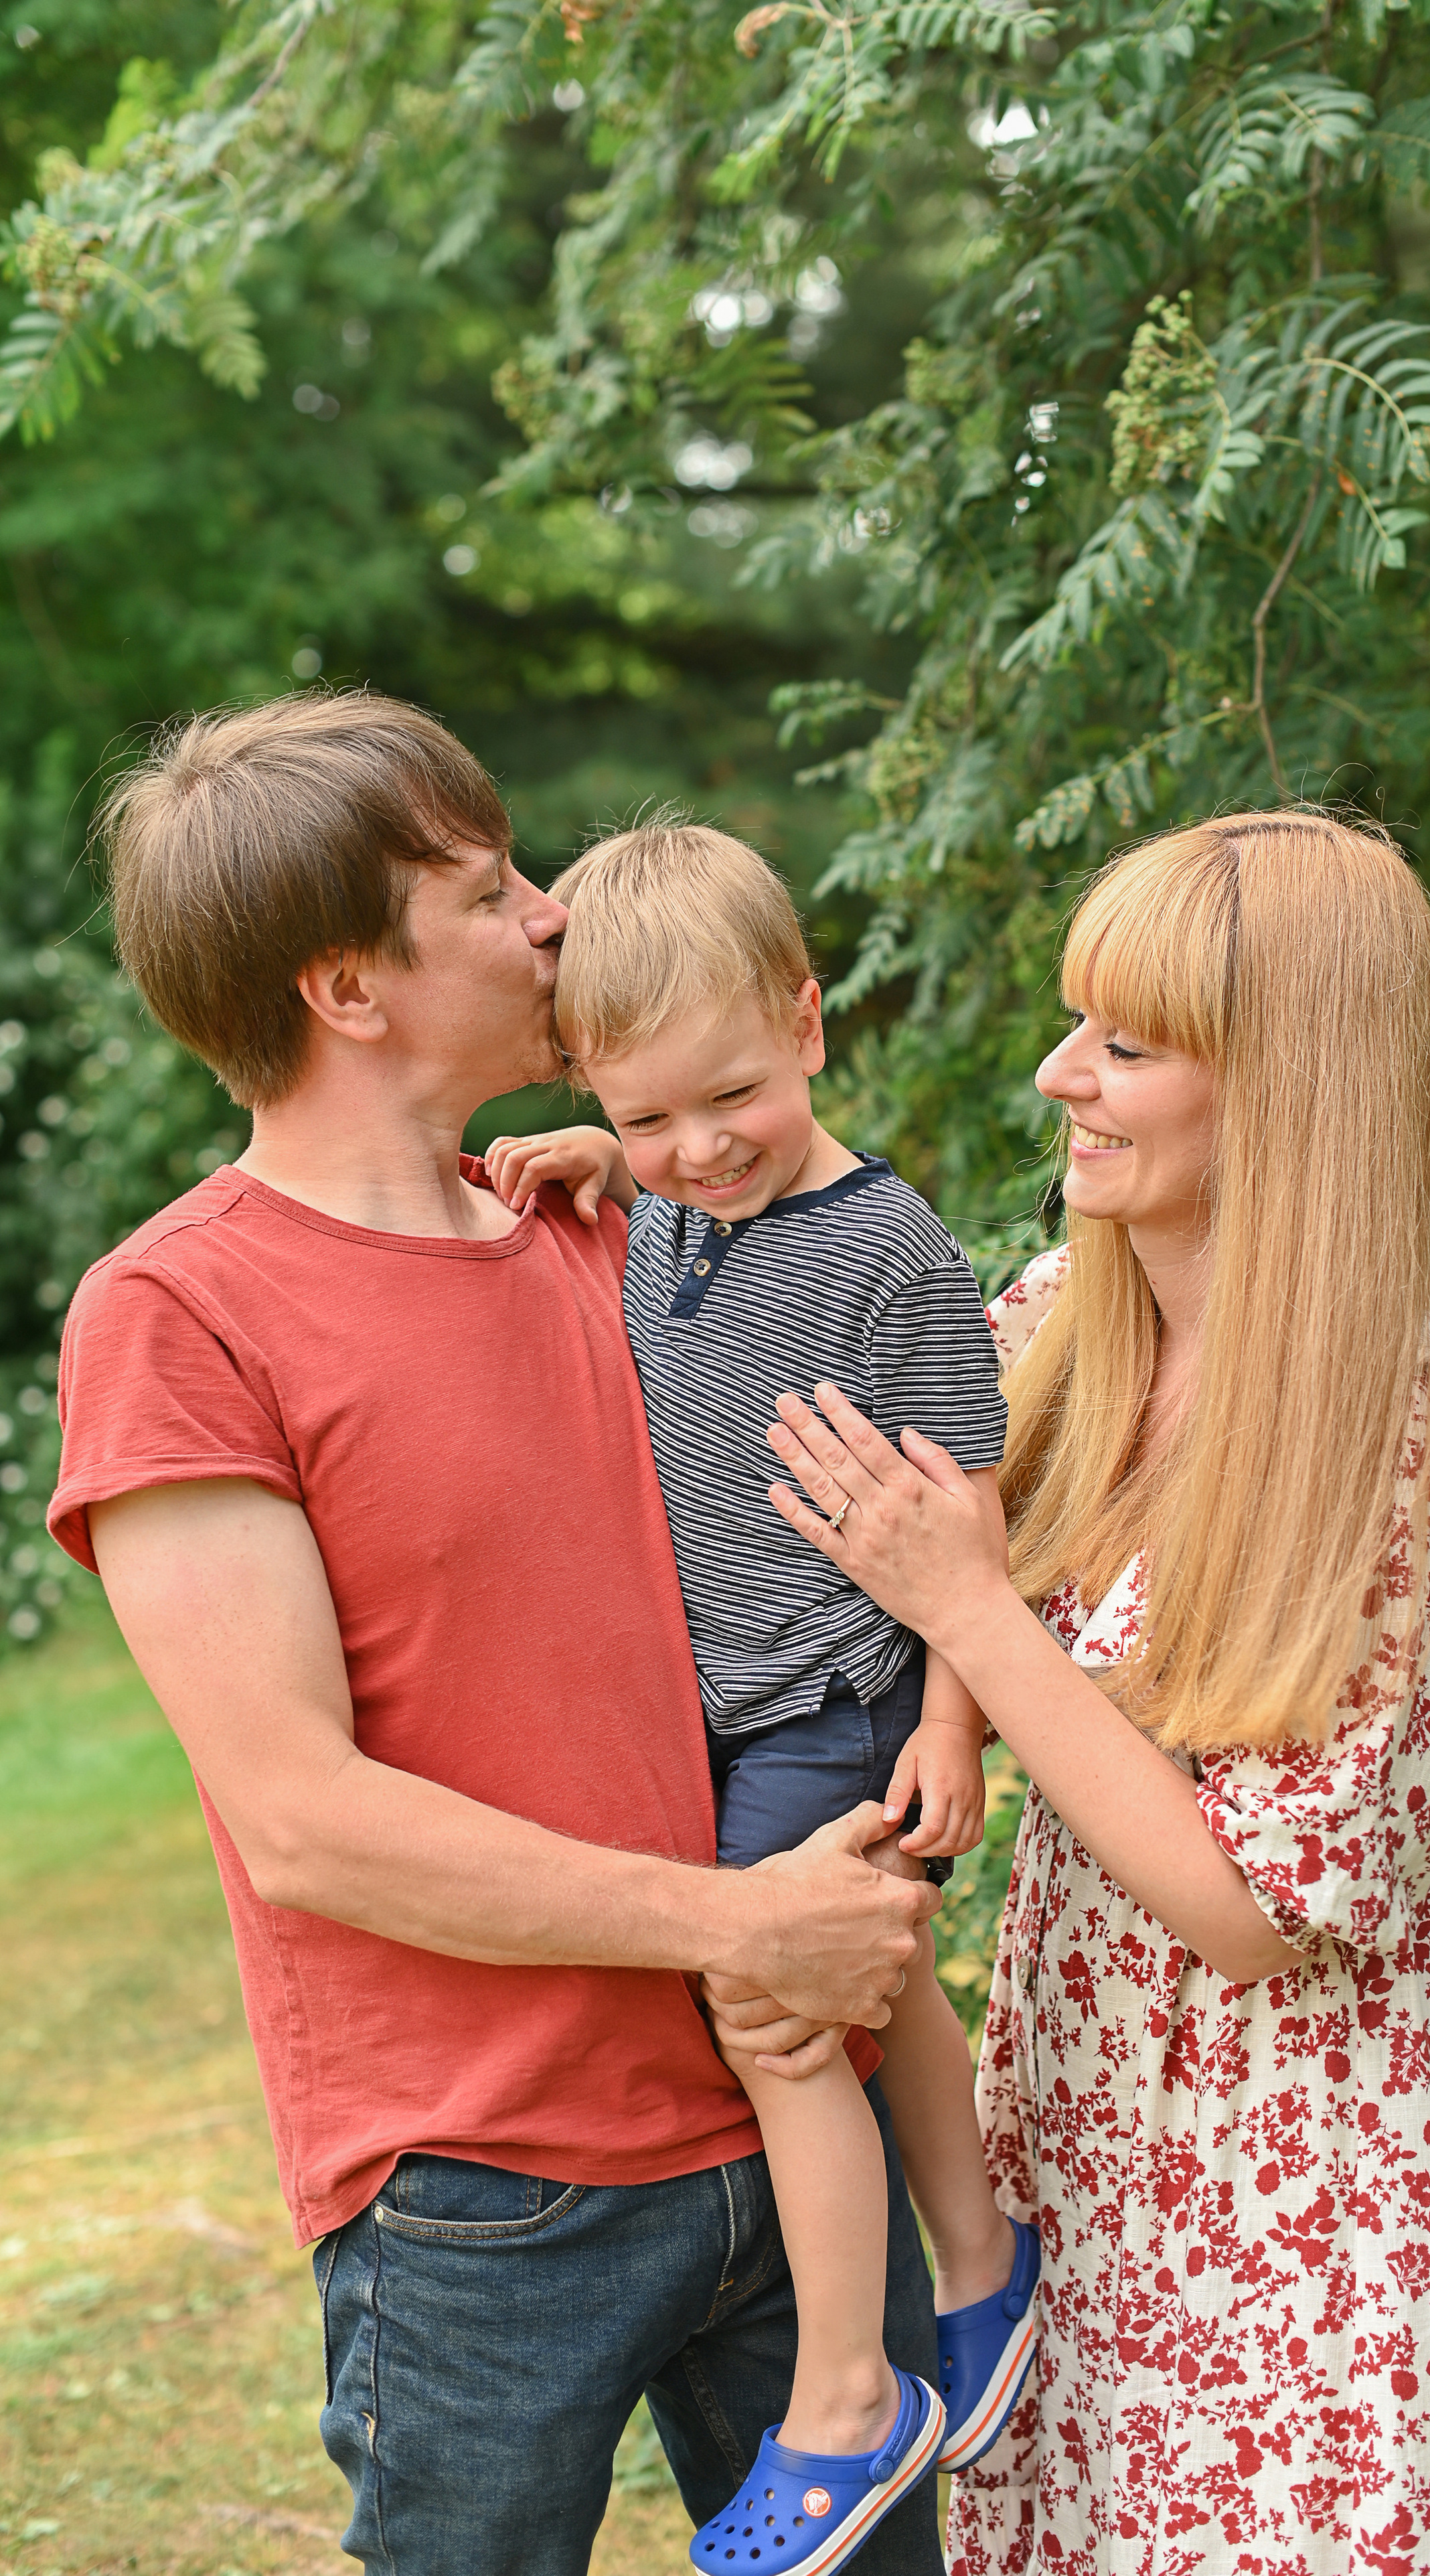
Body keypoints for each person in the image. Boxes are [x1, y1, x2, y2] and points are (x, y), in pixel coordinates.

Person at [45, 692, 944, 2576]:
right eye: (485, 889)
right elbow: (302, 1816)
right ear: (349, 990)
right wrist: (737, 1920)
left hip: (787, 2143)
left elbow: (899, 1330)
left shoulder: (625, 1225)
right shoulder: (178, 1316)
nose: (551, 917)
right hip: (482, 2202)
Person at [746, 813, 1430, 2576]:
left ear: (1288, 1085)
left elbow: (1261, 1916)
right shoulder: (1053, 1327)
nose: (1057, 1076)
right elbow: (785, 1248)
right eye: (1072, 1024)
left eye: (1125, 1043)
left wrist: (970, 1609)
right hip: (1083, 2124)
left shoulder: (1406, 1428)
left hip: (1312, 2180)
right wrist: (603, 1179)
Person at [482, 823, 1040, 2576]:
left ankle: (848, 2398)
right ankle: (984, 2267)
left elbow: (970, 1502)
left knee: (779, 2014)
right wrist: (605, 1155)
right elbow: (666, 1170)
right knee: (888, 1991)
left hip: (847, 1694)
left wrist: (955, 1723)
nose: (698, 1148)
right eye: (646, 1116)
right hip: (730, 1705)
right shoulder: (673, 1201)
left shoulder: (889, 1252)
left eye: (728, 1096)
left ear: (808, 1022)